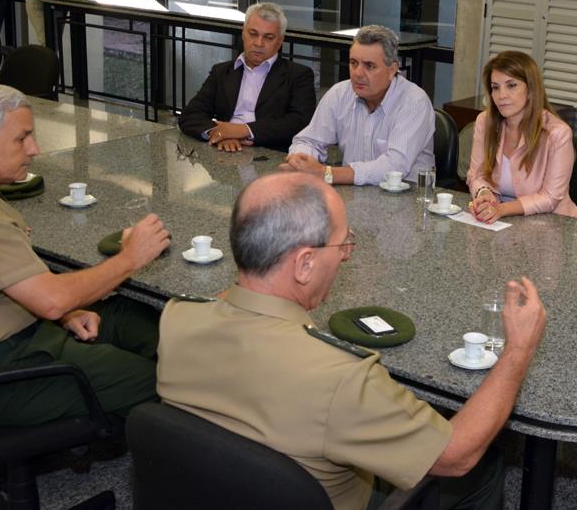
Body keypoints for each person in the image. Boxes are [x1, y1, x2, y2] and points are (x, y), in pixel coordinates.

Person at [157, 172, 547, 510]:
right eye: (342, 243)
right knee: (485, 467)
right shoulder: (341, 376)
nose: (346, 256)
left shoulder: (176, 317)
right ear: (305, 263)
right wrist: (518, 351)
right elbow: (456, 455)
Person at [0, 82, 170, 426]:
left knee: (134, 318)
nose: (35, 149)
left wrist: (65, 313)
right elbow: (50, 301)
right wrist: (131, 257)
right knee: (169, 384)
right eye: (22, 138)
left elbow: (30, 293)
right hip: (2, 374)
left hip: (4, 340)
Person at [283, 25, 435, 185]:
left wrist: (326, 173)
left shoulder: (414, 102)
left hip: (407, 200)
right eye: (354, 63)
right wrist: (301, 162)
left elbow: (394, 167)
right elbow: (308, 141)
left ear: (392, 70)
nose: (358, 73)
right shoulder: (340, 93)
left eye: (369, 66)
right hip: (353, 194)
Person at [177, 2, 315, 152]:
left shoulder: (298, 75)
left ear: (280, 41)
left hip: (267, 154)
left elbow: (299, 122)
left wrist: (244, 130)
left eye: (268, 37)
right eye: (253, 34)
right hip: (222, 150)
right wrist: (220, 133)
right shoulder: (222, 72)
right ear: (243, 33)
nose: (258, 43)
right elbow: (190, 114)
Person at [467, 51, 577, 223]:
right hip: (503, 222)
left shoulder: (558, 134)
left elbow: (550, 198)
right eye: (495, 87)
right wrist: (483, 194)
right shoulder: (485, 121)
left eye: (511, 85)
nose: (501, 95)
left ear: (530, 90)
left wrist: (502, 209)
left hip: (552, 224)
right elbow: (476, 175)